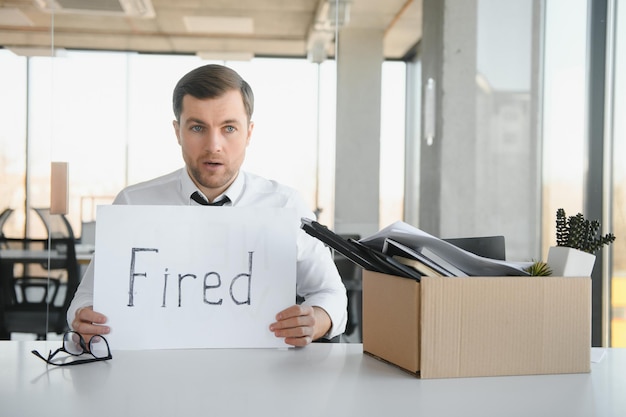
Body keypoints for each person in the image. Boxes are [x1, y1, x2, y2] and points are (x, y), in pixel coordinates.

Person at [67, 64, 347, 347]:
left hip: (262, 377)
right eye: (198, 127)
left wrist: (317, 320)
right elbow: (86, 297)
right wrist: (83, 318)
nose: (214, 145)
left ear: (249, 133)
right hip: (154, 378)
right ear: (178, 132)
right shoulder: (132, 204)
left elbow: (332, 295)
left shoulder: (286, 206)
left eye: (229, 128)